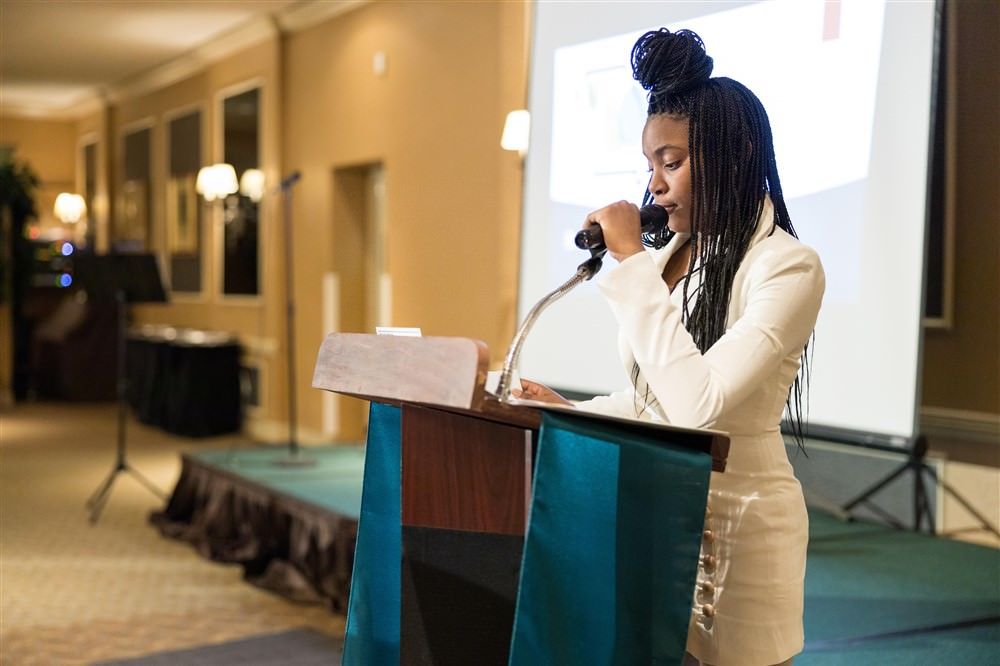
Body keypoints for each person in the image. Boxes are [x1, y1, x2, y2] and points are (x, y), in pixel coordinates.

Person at [515, 27, 825, 666]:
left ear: (735, 153)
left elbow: (696, 405)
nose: (653, 185)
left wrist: (630, 258)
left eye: (672, 163)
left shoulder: (787, 266)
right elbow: (650, 399)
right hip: (658, 512)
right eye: (650, 165)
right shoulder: (672, 257)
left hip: (742, 537)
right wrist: (568, 411)